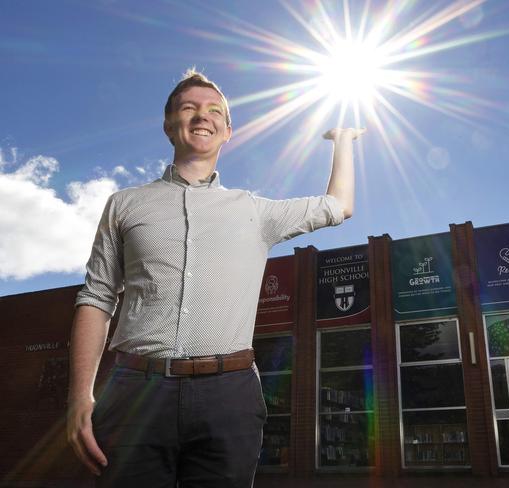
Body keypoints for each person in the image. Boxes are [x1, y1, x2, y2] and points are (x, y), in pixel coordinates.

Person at [66, 68, 365, 487]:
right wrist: (79, 396)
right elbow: (96, 297)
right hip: (135, 392)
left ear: (228, 130)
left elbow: (339, 204)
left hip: (229, 394)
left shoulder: (254, 211)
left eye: (213, 111)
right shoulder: (124, 205)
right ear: (169, 125)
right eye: (188, 108)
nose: (201, 116)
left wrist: (344, 141)